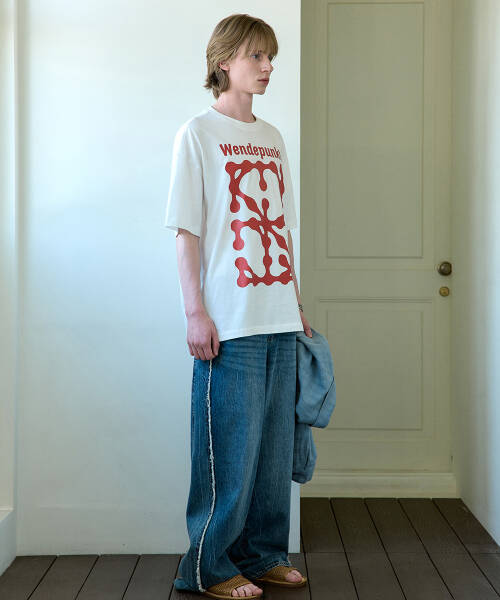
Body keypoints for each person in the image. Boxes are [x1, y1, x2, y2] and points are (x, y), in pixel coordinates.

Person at [164, 13, 312, 599]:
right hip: (229, 319)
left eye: (271, 56)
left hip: (278, 315)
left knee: (273, 453)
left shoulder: (272, 137)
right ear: (224, 60)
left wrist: (295, 302)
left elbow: (283, 230)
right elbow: (187, 232)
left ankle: (263, 554)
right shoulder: (197, 133)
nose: (268, 66)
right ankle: (207, 567)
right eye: (257, 55)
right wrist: (194, 313)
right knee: (226, 452)